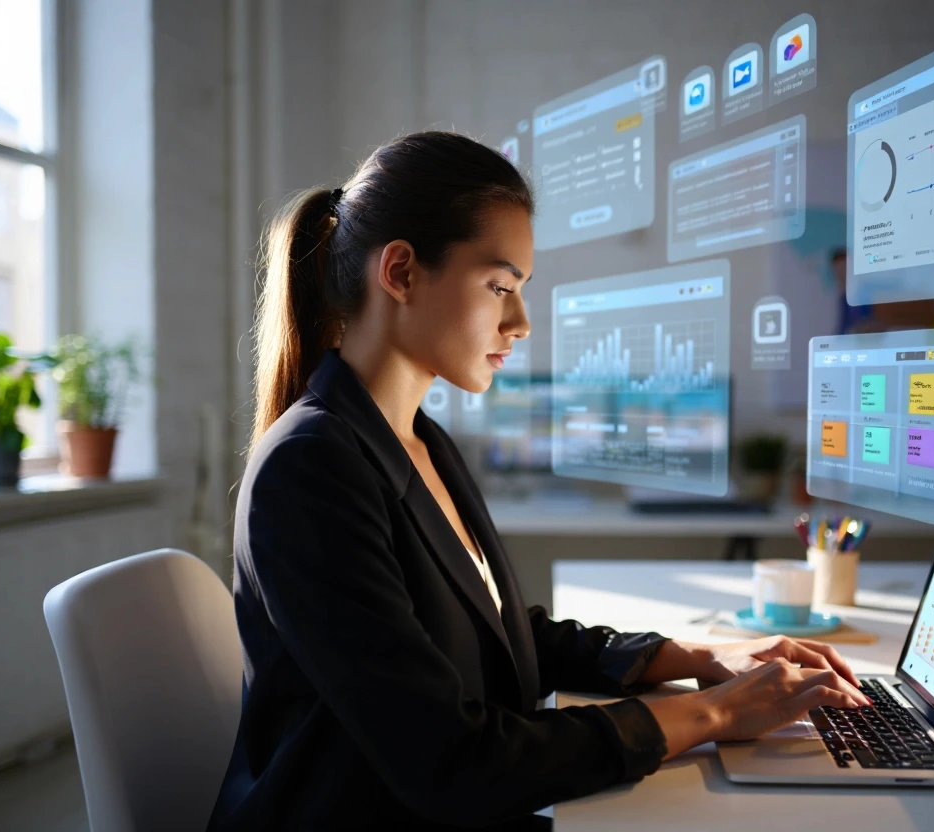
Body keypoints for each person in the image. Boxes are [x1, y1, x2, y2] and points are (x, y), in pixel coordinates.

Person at [206, 131, 870, 831]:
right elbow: (450, 761)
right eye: (500, 287)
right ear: (400, 273)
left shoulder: (421, 442)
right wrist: (713, 714)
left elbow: (490, 632)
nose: (520, 323)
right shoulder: (308, 469)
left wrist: (695, 657)